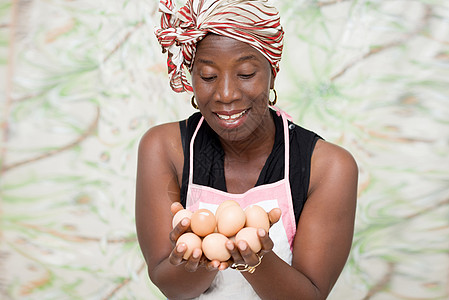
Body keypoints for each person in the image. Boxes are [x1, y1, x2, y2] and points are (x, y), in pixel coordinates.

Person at [135, 0, 358, 299]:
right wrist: (204, 253)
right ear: (191, 78)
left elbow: (309, 296)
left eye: (246, 73)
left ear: (273, 74)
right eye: (208, 77)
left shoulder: (328, 166)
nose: (226, 94)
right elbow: (171, 286)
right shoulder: (164, 148)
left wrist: (255, 259)